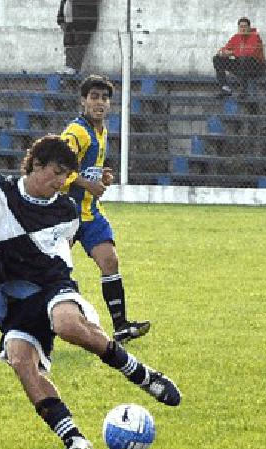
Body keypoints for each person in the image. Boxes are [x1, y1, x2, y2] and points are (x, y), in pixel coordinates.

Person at [0, 136, 182, 449]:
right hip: (15, 296)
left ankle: (139, 372)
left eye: (66, 175)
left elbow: (51, 253)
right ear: (36, 165)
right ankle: (74, 439)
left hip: (52, 282)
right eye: (56, 173)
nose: (60, 182)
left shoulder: (67, 211)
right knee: (19, 358)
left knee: (66, 323)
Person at [59, 75, 152, 344]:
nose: (99, 102)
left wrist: (101, 177)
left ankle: (121, 327)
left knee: (109, 261)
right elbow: (58, 166)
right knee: (49, 270)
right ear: (83, 101)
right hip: (65, 214)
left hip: (90, 213)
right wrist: (87, 182)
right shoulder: (76, 132)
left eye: (104, 98)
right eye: (94, 97)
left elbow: (86, 168)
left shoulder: (101, 130)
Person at [213, 17, 266, 97]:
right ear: (238, 27)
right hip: (241, 66)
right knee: (217, 59)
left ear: (249, 27)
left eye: (245, 26)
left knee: (244, 58)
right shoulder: (236, 37)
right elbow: (224, 49)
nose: (243, 29)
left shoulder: (255, 37)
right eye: (241, 27)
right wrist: (222, 53)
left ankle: (244, 90)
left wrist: (232, 52)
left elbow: (249, 52)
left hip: (256, 67)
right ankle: (225, 88)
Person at [56, 0, 100, 75]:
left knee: (80, 43)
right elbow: (63, 2)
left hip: (83, 19)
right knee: (68, 43)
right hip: (69, 19)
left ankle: (74, 67)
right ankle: (68, 66)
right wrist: (60, 18)